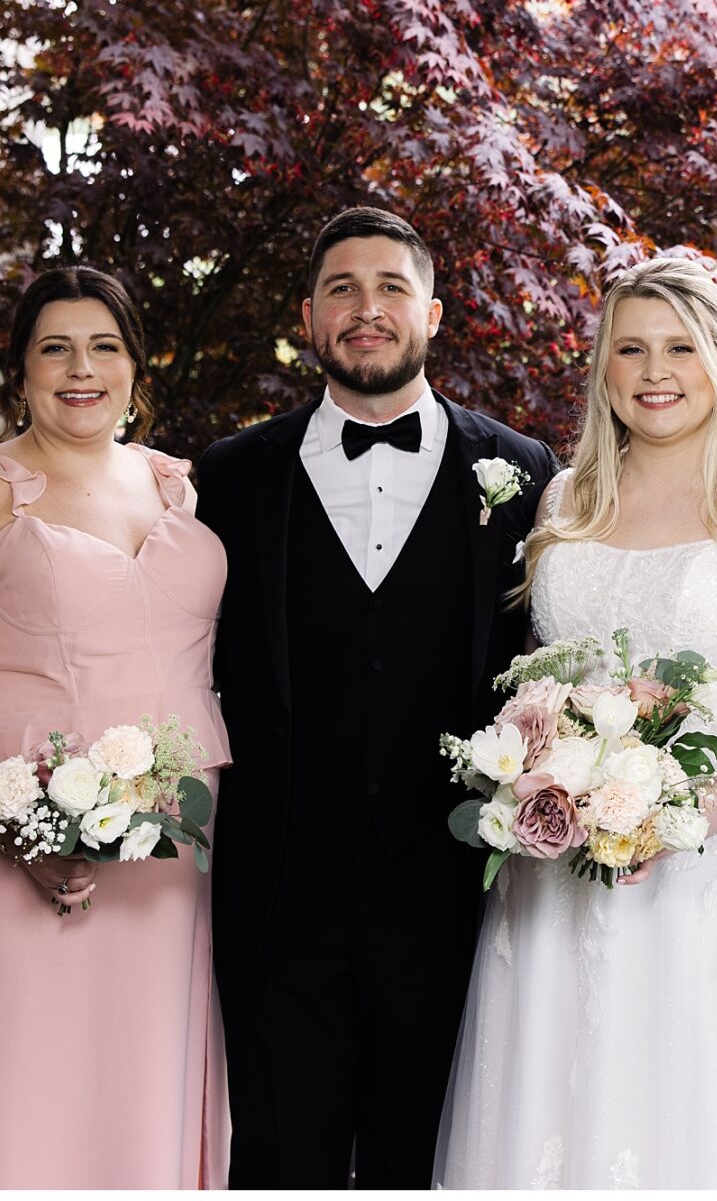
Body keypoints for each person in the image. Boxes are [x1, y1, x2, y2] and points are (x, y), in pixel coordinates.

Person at [434, 255, 717, 1189]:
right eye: (629, 349)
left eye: (678, 347)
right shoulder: (563, 501)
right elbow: (532, 685)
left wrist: (667, 823)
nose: (652, 370)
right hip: (556, 877)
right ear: (602, 367)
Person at [191, 208, 556, 1190]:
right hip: (277, 892)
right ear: (308, 320)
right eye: (342, 290)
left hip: (453, 893)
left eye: (390, 286)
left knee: (429, 1155)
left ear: (432, 313)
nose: (367, 308)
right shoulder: (227, 478)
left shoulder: (520, 474)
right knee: (278, 1154)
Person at [0, 267, 229, 1189]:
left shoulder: (177, 485)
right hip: (10, 851)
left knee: (133, 1101)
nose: (82, 368)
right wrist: (20, 832)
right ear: (18, 370)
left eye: (104, 346)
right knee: (8, 1099)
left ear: (137, 366)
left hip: (171, 869)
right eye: (54, 347)